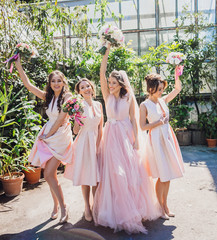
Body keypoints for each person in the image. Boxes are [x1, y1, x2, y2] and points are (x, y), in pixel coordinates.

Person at [92, 44, 161, 234]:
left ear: (122, 84)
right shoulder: (106, 95)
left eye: (115, 83)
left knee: (130, 173)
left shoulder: (128, 96)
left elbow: (133, 118)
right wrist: (106, 50)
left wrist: (137, 140)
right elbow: (101, 73)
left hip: (126, 135)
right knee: (115, 173)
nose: (111, 85)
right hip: (111, 136)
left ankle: (133, 209)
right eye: (110, 82)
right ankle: (115, 211)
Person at [15, 56, 73, 223]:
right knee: (50, 175)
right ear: (50, 83)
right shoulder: (48, 96)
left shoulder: (67, 96)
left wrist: (47, 136)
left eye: (59, 81)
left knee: (48, 174)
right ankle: (56, 206)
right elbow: (28, 85)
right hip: (47, 136)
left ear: (63, 82)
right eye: (53, 81)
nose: (56, 83)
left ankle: (63, 207)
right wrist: (18, 64)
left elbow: (61, 119)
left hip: (59, 137)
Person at [139, 66, 185, 220]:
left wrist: (176, 72)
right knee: (162, 175)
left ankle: (165, 205)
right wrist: (157, 122)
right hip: (156, 140)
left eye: (162, 89)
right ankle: (160, 207)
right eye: (159, 89)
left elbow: (177, 89)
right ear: (151, 89)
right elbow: (142, 126)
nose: (161, 92)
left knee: (169, 174)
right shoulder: (144, 105)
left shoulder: (163, 100)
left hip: (167, 138)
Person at [64, 78, 103, 222]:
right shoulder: (78, 106)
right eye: (83, 87)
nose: (86, 88)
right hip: (84, 143)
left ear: (92, 88)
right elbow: (75, 131)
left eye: (88, 86)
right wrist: (76, 118)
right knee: (86, 177)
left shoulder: (99, 105)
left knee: (97, 178)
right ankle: (87, 206)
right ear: (79, 92)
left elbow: (100, 127)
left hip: (96, 142)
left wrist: (99, 146)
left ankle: (95, 205)